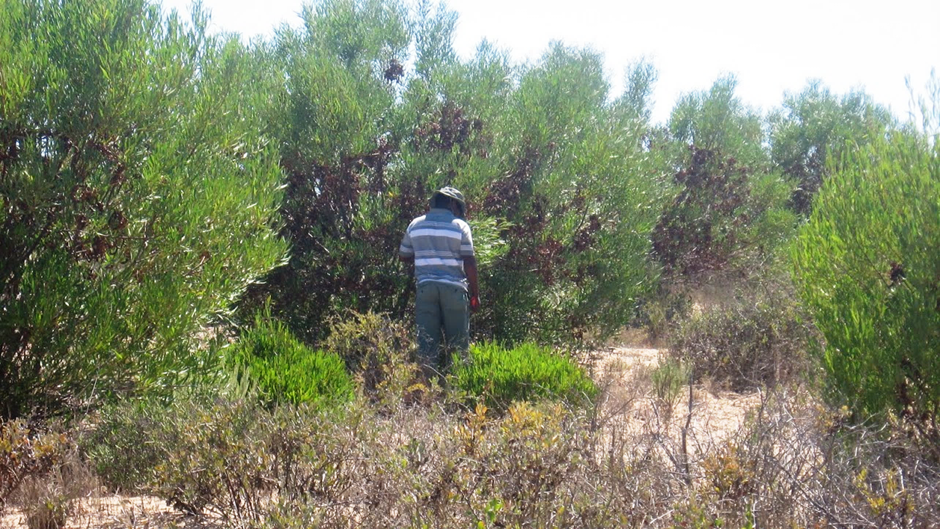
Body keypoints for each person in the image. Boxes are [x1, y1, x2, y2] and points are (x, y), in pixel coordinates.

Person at [399, 186, 480, 380]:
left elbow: (403, 255)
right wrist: (475, 294)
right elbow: (469, 261)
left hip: (425, 288)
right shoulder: (460, 226)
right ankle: (457, 390)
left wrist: (424, 259)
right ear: (453, 204)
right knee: (458, 344)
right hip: (454, 289)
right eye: (459, 208)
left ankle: (427, 391)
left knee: (427, 344)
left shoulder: (415, 225)